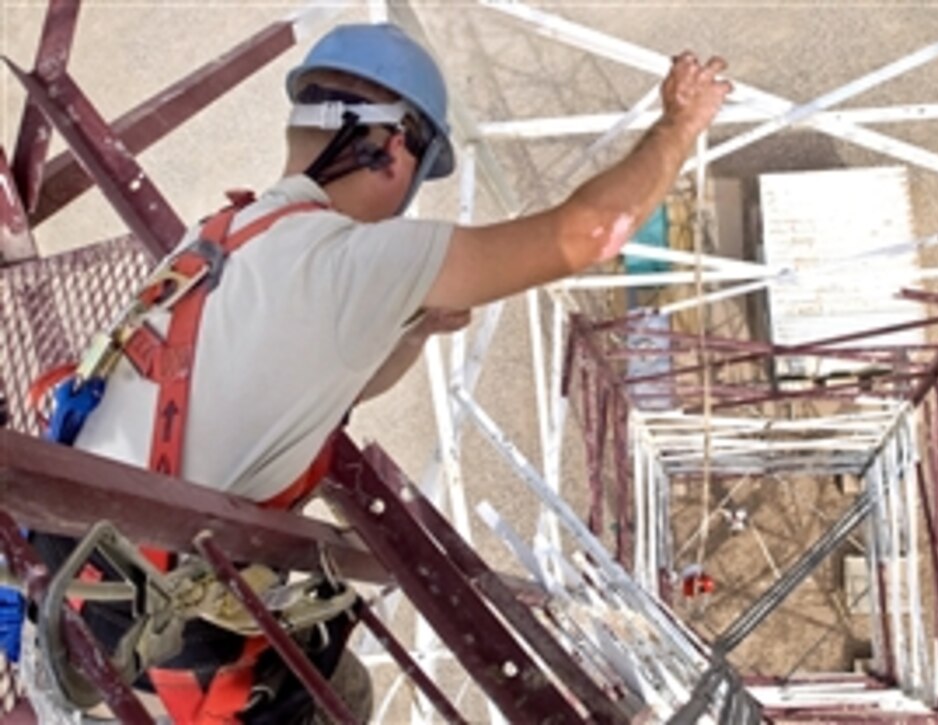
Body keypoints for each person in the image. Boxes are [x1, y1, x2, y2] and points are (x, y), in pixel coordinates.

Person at [35, 21, 732, 724]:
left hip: (64, 561)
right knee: (337, 689)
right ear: (395, 145)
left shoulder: (226, 233)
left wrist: (417, 325)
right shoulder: (357, 264)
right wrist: (679, 124)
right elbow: (592, 233)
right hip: (156, 630)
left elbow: (328, 381)